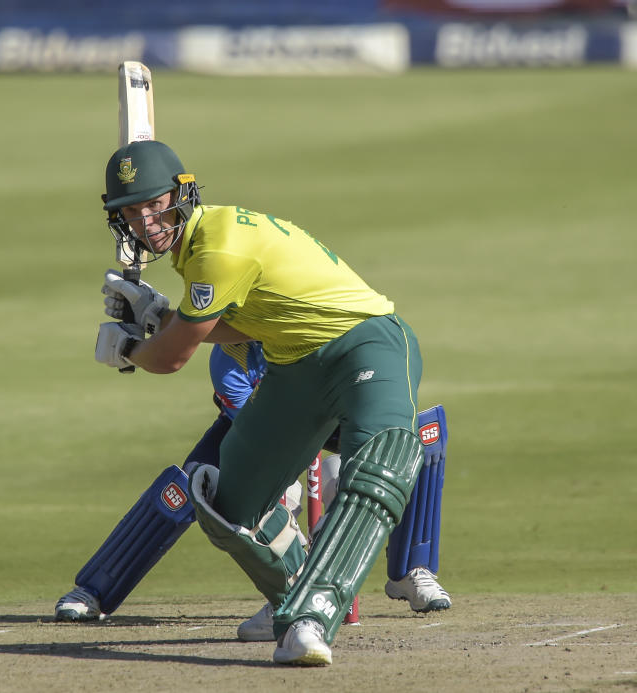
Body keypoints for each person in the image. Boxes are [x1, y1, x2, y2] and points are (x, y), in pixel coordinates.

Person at [94, 140, 437, 666]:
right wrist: (159, 319)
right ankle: (296, 591)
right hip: (295, 367)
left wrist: (130, 347)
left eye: (156, 203)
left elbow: (171, 360)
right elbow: (235, 325)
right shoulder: (203, 246)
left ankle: (312, 619)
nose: (147, 220)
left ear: (182, 194)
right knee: (224, 502)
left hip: (366, 342)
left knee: (378, 466)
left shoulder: (217, 250)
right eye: (132, 211)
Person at [58, 339, 452, 631]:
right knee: (187, 487)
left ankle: (410, 573)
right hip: (258, 426)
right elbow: (260, 437)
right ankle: (95, 591)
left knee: (418, 441)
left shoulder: (315, 328)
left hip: (337, 417)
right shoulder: (231, 356)